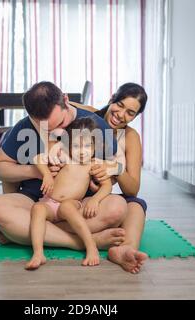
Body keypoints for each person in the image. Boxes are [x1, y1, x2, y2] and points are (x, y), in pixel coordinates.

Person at [0, 82, 130, 268]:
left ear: (66, 100)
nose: (57, 133)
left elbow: (114, 170)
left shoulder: (93, 125)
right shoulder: (25, 126)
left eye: (61, 123)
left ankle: (20, 233)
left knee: (117, 207)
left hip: (79, 205)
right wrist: (36, 172)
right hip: (36, 201)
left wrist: (102, 178)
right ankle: (80, 241)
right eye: (46, 128)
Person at [69, 83, 149, 274]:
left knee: (136, 205)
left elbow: (132, 189)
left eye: (130, 113)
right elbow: (63, 106)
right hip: (73, 195)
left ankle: (124, 249)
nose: (121, 115)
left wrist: (115, 169)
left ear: (136, 117)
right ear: (112, 98)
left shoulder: (130, 137)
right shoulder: (88, 118)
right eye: (120, 105)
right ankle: (89, 237)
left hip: (100, 200)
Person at [26, 117, 112, 270]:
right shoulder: (65, 156)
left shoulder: (94, 164)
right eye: (76, 145)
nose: (82, 151)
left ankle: (91, 246)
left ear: (95, 147)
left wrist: (95, 200)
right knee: (37, 208)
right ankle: (38, 253)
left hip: (71, 204)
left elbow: (107, 186)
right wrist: (46, 174)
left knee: (66, 207)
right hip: (49, 202)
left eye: (87, 145)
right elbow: (38, 158)